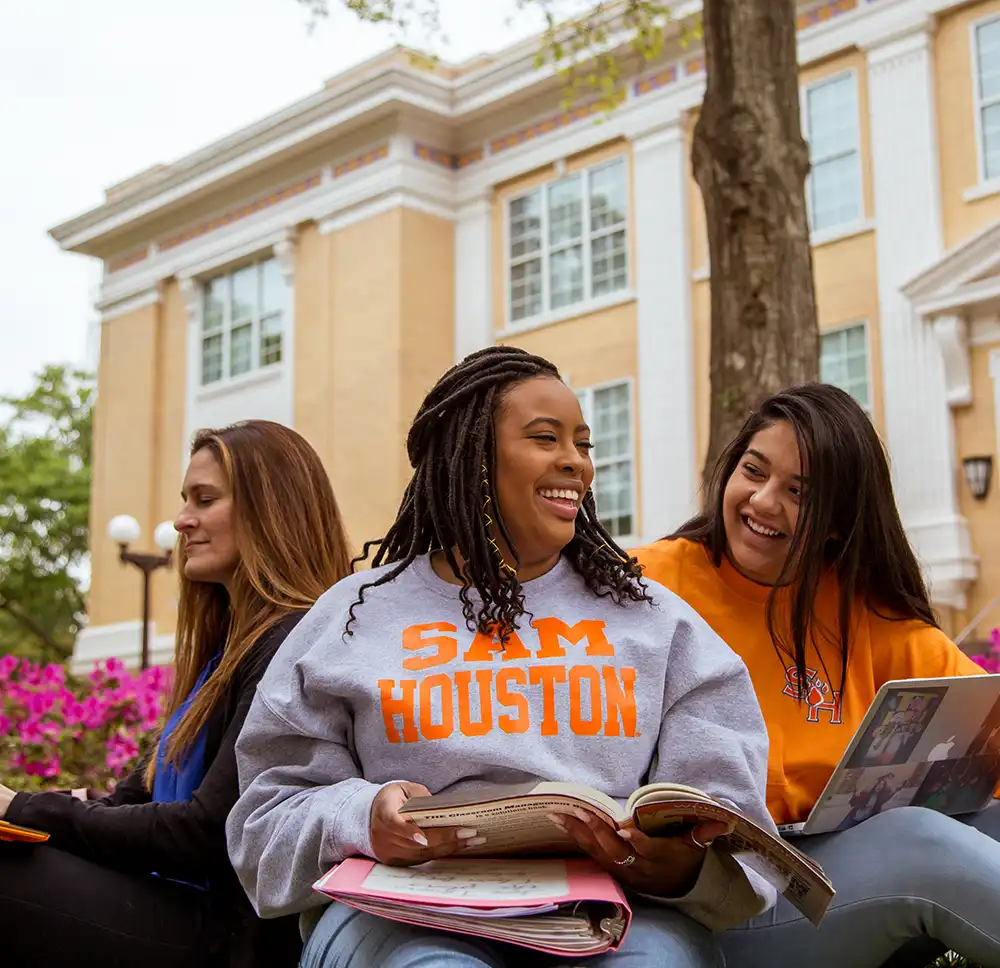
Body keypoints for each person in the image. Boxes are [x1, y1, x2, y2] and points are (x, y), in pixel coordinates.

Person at [227, 345, 781, 968]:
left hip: (610, 916)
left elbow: (735, 832)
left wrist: (678, 865)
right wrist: (364, 818)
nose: (574, 462)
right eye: (545, 438)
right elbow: (264, 829)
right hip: (401, 917)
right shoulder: (350, 618)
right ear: (470, 459)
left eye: (583, 444)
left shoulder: (658, 622)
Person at [631, 383, 1000, 968]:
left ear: (838, 521)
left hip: (841, 870)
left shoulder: (861, 608)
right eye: (754, 471)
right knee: (918, 843)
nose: (764, 501)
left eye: (798, 493)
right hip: (720, 903)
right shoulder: (647, 586)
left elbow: (987, 719)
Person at [0, 420, 352, 968]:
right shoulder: (225, 653)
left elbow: (208, 833)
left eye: (204, 500)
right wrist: (37, 811)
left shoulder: (292, 640)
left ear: (271, 510)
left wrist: (26, 805)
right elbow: (133, 802)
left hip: (222, 934)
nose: (181, 519)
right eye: (185, 499)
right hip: (168, 902)